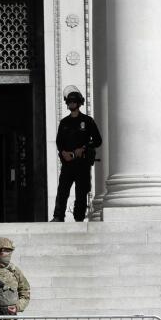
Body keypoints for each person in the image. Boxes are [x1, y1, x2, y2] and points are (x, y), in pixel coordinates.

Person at [52, 90, 102, 222]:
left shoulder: (87, 121)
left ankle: (79, 218)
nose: (72, 103)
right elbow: (59, 142)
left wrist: (84, 147)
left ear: (79, 103)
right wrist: (63, 152)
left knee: (81, 192)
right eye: (69, 101)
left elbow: (97, 140)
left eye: (74, 101)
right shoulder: (64, 122)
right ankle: (58, 216)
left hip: (82, 163)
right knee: (62, 191)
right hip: (68, 164)